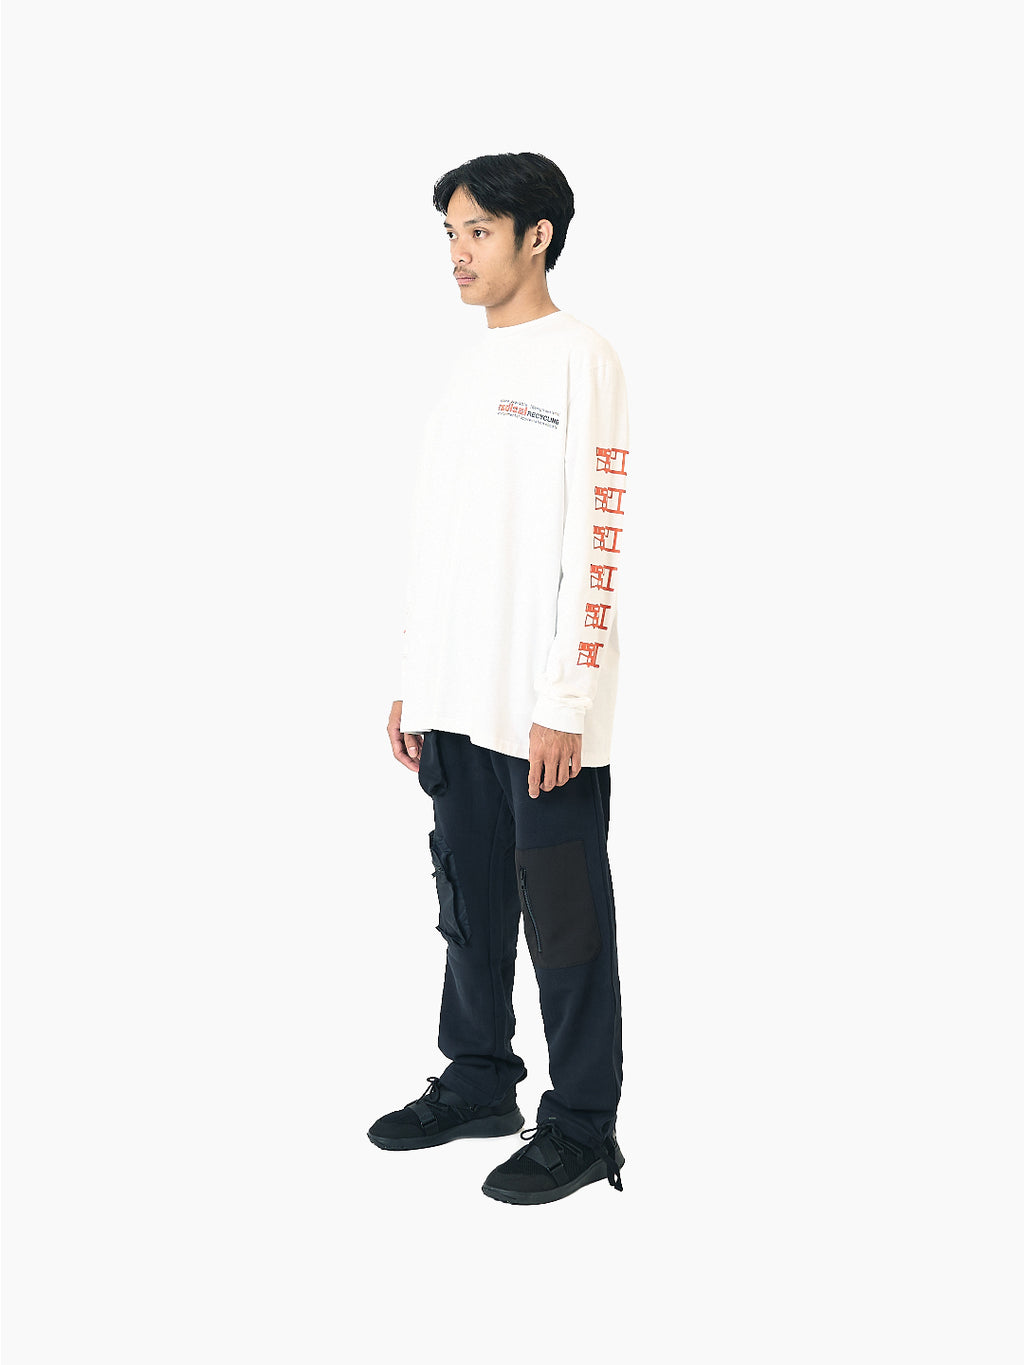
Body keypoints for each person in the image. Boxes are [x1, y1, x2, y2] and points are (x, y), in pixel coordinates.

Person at [367, 152, 630, 1205]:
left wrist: (568, 700)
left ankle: (583, 1125)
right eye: (449, 233)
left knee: (564, 921)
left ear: (538, 236)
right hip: (455, 701)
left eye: (477, 230)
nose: (458, 253)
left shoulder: (582, 360)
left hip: (539, 713)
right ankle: (478, 1078)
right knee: (467, 907)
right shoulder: (468, 373)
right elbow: (442, 545)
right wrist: (416, 680)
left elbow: (598, 537)